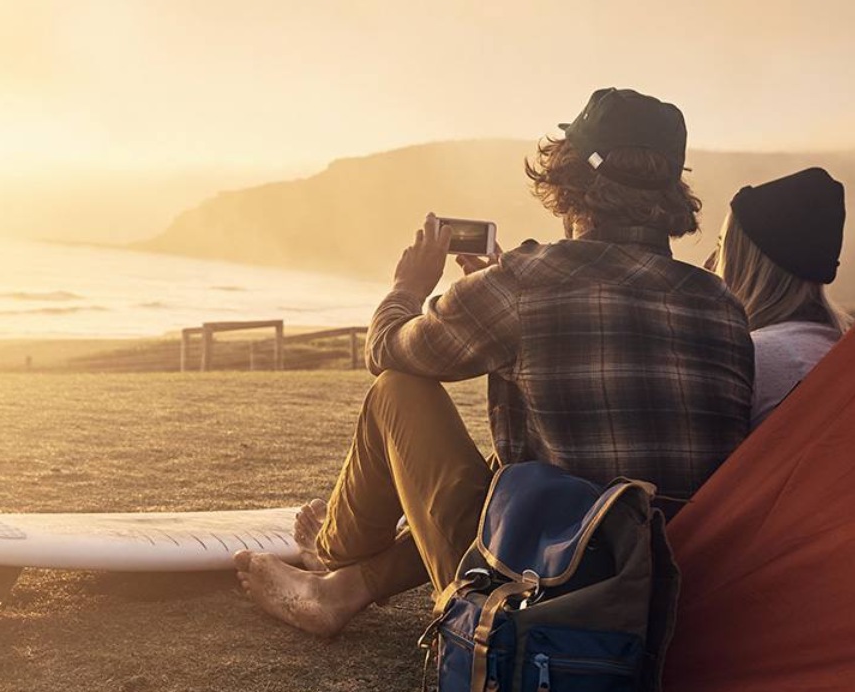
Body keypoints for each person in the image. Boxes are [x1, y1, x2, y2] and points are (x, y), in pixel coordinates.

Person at [234, 89, 755, 636]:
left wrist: (407, 288)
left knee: (398, 390)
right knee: (521, 466)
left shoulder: (528, 280)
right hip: (665, 596)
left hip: (533, 591)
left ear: (568, 177)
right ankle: (347, 588)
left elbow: (387, 347)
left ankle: (329, 552)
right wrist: (495, 293)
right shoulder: (721, 304)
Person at [709, 168, 852, 426]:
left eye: (722, 247)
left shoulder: (753, 358)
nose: (711, 263)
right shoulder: (843, 349)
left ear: (746, 264)